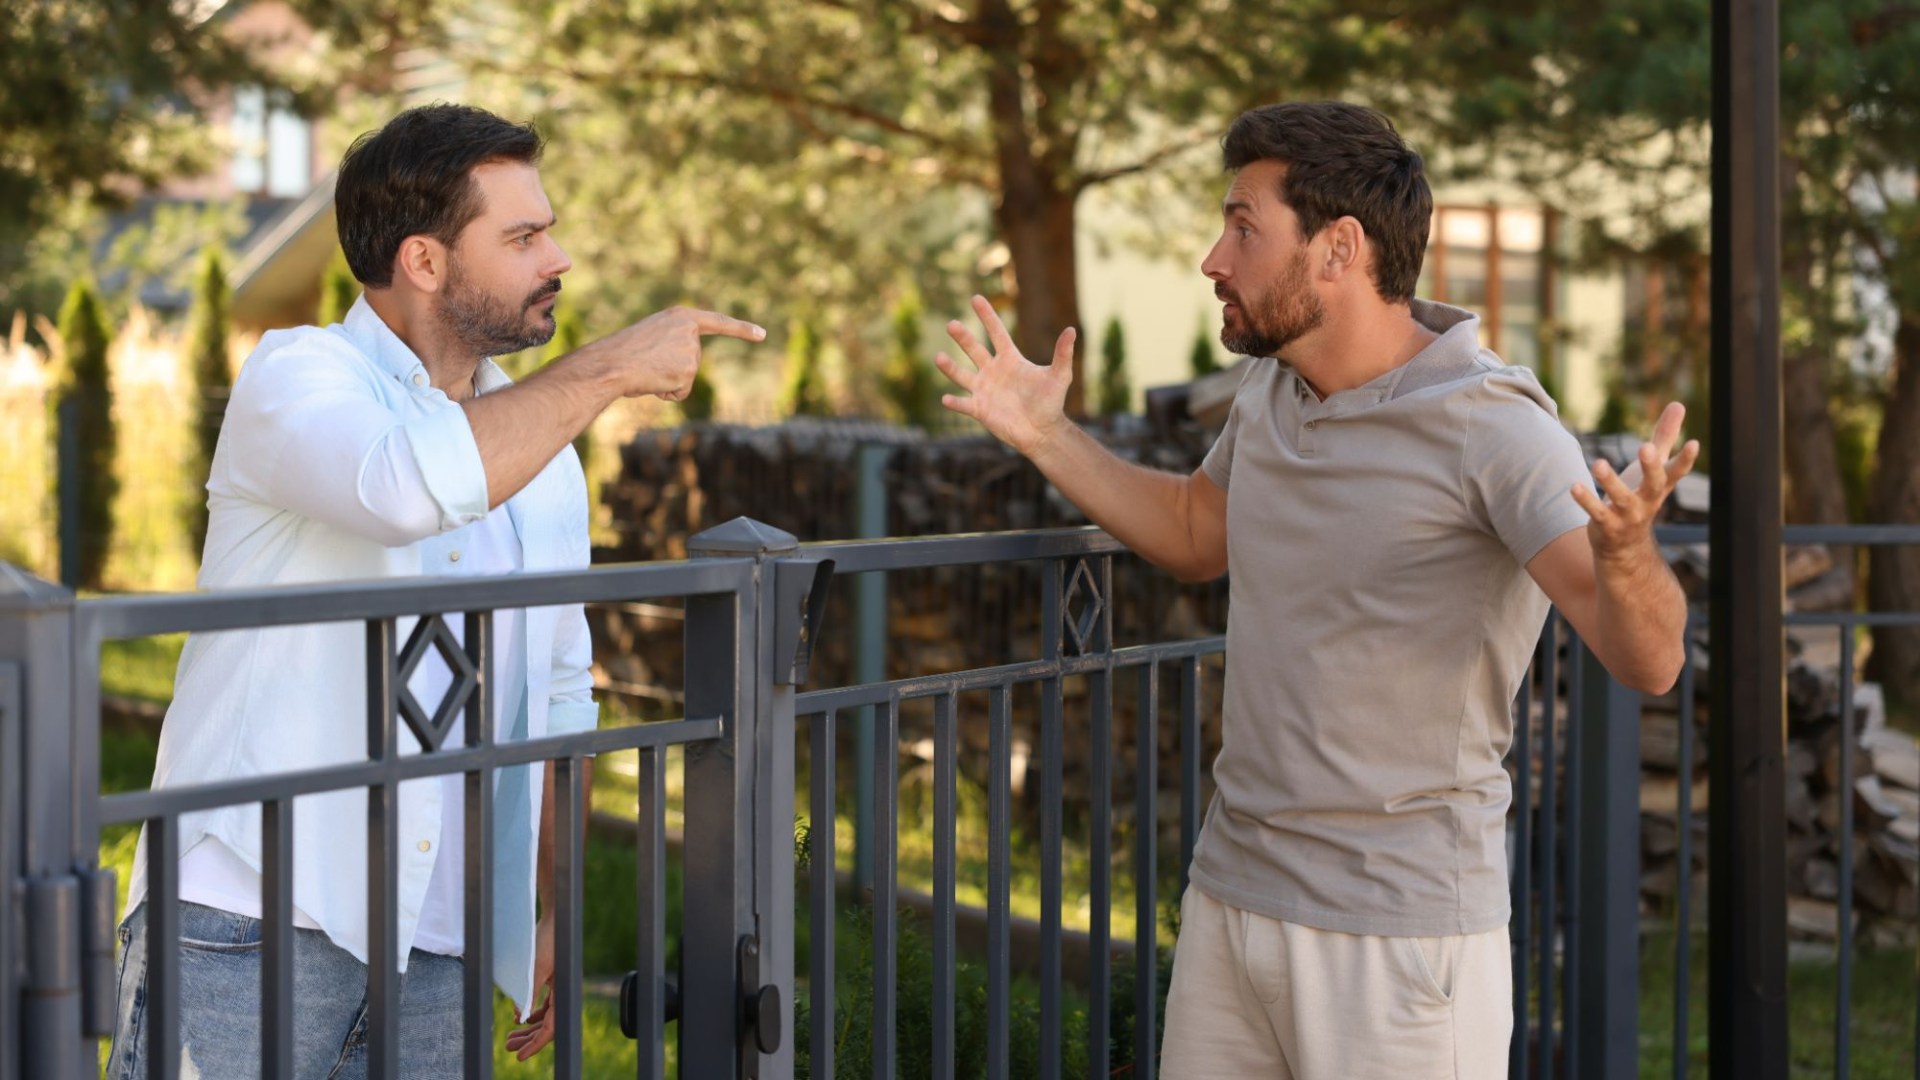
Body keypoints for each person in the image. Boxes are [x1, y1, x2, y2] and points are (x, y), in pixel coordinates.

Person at [934, 100, 1694, 1079]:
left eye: (1243, 226)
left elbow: (1652, 661)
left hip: (1398, 942)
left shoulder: (1494, 425)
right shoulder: (1271, 391)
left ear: (1339, 249)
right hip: (1231, 901)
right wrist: (1046, 436)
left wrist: (1628, 555)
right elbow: (1197, 532)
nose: (1214, 258)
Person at [107, 103, 765, 1079]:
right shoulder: (296, 379)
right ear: (423, 260)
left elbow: (556, 696)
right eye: (525, 236)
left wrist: (550, 911)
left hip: (445, 953)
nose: (560, 258)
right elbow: (403, 487)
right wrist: (613, 367)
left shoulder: (543, 457)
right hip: (250, 918)